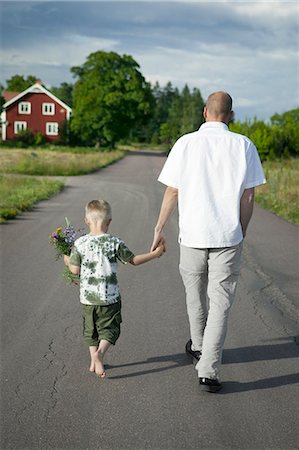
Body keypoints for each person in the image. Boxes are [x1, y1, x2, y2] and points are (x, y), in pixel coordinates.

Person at [151, 91, 266, 393]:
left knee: (194, 294)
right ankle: (208, 369)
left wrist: (159, 227)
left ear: (205, 112)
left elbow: (173, 192)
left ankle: (199, 345)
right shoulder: (244, 145)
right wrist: (240, 229)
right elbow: (249, 196)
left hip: (191, 235)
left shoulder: (185, 143)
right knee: (221, 302)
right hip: (227, 236)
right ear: (230, 115)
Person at [64, 199, 165, 378]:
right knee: (110, 328)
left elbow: (75, 270)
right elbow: (133, 261)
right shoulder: (115, 242)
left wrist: (67, 259)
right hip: (110, 298)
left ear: (86, 220)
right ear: (109, 221)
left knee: (91, 329)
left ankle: (93, 361)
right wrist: (155, 254)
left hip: (88, 299)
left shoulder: (79, 243)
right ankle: (99, 354)